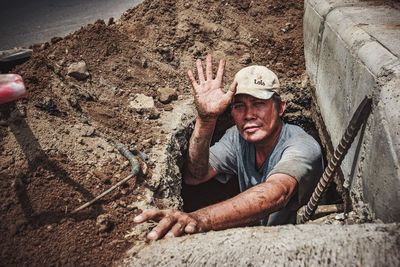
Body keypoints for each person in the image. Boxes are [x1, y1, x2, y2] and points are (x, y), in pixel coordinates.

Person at [133, 55, 323, 240]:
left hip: (299, 241)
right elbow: (195, 176)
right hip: (257, 236)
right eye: (239, 106)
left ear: (281, 107)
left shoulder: (302, 145)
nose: (248, 114)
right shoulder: (237, 138)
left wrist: (199, 219)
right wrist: (206, 120)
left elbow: (276, 193)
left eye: (259, 104)